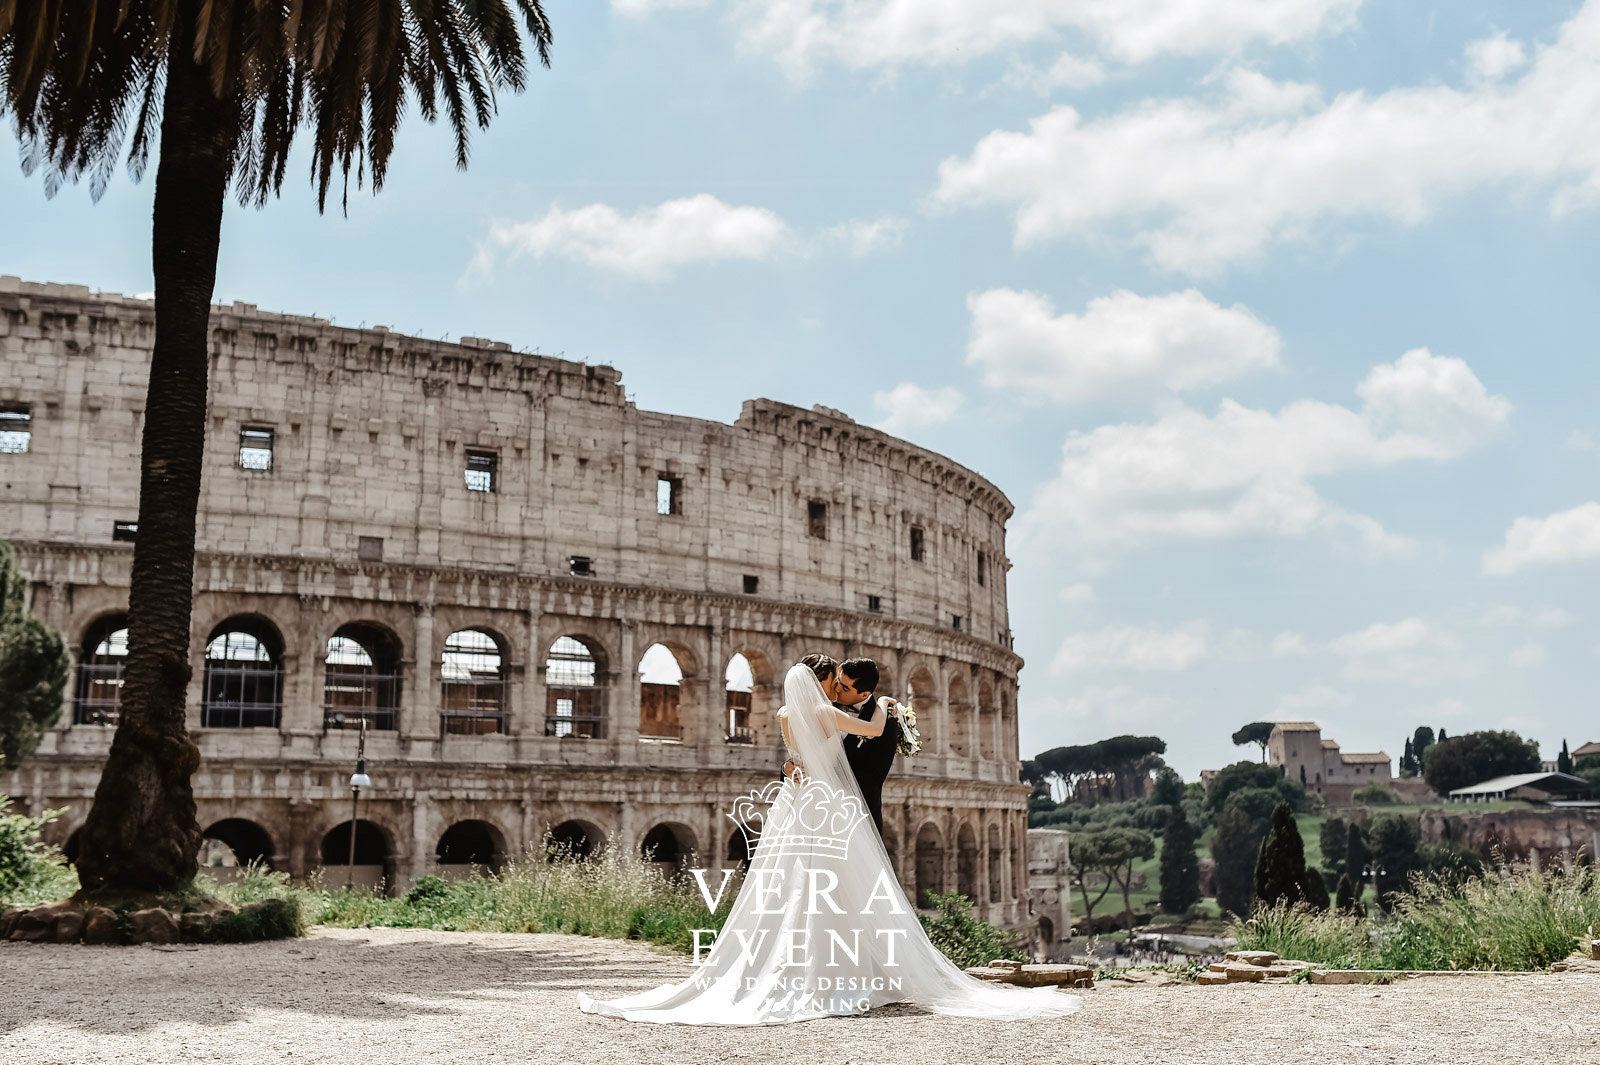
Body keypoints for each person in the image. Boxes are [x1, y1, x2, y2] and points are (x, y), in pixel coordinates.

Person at [576, 661, 1082, 1026]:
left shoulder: (783, 716)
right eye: (832, 681)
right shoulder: (827, 714)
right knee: (834, 887)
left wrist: (795, 764)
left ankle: (796, 965)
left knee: (790, 888)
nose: (836, 686)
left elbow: (799, 756)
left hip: (799, 806)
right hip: (832, 809)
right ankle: (836, 968)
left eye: (842, 683)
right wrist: (888, 709)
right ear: (822, 684)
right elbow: (874, 727)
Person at [789, 653, 900, 835]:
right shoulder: (823, 710)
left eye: (845, 688)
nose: (838, 689)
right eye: (838, 682)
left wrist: (823, 779)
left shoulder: (887, 721)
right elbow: (801, 756)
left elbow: (874, 779)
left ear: (864, 694)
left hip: (856, 820)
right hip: (810, 810)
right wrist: (788, 768)